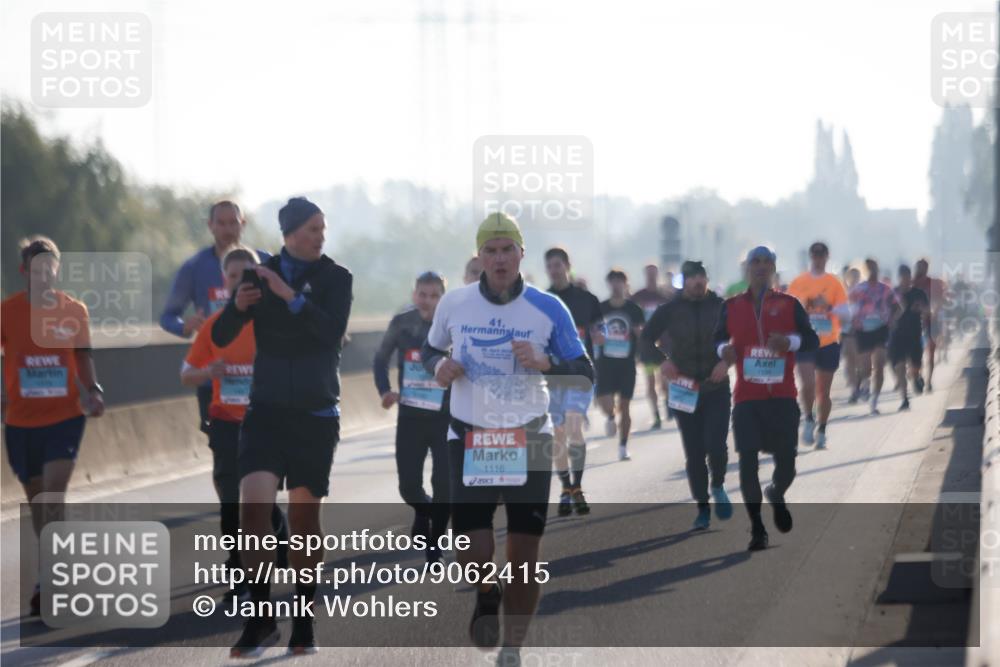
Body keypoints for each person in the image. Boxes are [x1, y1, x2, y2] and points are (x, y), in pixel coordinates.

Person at [422, 213, 594, 666]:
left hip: (529, 437)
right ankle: (486, 589)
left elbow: (584, 371)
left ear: (521, 254)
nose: (499, 259)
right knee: (472, 550)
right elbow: (430, 348)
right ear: (479, 256)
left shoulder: (548, 308)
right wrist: (438, 366)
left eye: (507, 250)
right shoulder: (455, 303)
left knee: (524, 555)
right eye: (490, 251)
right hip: (470, 437)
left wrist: (546, 363)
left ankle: (513, 647)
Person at [213, 197, 352, 657]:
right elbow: (220, 335)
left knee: (304, 521)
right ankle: (260, 619)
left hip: (315, 414)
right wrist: (237, 306)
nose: (320, 236)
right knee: (252, 510)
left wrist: (290, 296)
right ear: (290, 233)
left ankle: (304, 621)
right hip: (266, 412)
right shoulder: (259, 275)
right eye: (313, 228)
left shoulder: (337, 278)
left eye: (322, 228)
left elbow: (331, 333)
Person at [2, 236, 105, 615]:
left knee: (53, 491)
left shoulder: (74, 310)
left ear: (57, 269)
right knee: (37, 501)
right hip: (20, 422)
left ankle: (50, 577)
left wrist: (92, 390)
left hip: (64, 417)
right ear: (24, 271)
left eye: (49, 268)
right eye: (37, 269)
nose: (43, 275)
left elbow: (83, 357)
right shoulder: (7, 311)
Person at [180, 247, 288, 601]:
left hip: (266, 423)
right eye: (233, 277)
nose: (241, 283)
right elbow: (186, 374)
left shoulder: (273, 322)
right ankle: (240, 572)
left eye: (248, 276)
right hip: (226, 423)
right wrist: (207, 372)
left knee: (260, 502)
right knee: (230, 501)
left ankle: (280, 538)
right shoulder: (214, 326)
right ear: (224, 282)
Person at [714, 246, 819, 551]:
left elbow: (811, 339)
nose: (761, 267)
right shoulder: (731, 306)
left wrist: (789, 342)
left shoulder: (789, 304)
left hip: (782, 396)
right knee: (747, 462)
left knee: (787, 463)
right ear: (747, 268)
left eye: (766, 262)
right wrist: (723, 350)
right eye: (755, 262)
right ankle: (757, 528)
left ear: (774, 268)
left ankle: (777, 491)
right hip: (747, 398)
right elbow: (717, 338)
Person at [160, 200, 269, 435]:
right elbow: (167, 317)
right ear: (211, 226)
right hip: (214, 376)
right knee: (224, 447)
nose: (228, 229)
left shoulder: (264, 261)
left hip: (260, 377)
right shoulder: (195, 267)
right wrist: (185, 326)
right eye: (221, 223)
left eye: (233, 223)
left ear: (243, 224)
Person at [641, 260, 733, 530]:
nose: (697, 282)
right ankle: (702, 508)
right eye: (692, 278)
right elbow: (645, 339)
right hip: (684, 387)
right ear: (684, 282)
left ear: (707, 280)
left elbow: (740, 339)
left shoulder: (721, 307)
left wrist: (726, 363)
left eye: (701, 277)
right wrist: (663, 362)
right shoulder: (670, 310)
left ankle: (718, 485)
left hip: (715, 386)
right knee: (694, 452)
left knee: (716, 445)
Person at [372, 271, 451, 563]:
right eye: (422, 294)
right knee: (408, 487)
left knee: (444, 484)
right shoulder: (401, 323)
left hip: (445, 418)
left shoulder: (452, 325)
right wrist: (385, 390)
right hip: (410, 417)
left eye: (434, 295)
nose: (427, 301)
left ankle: (435, 545)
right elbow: (380, 359)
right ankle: (424, 510)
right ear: (414, 294)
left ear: (443, 298)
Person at [544, 247, 603, 516]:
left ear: (568, 266)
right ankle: (566, 488)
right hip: (553, 376)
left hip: (580, 373)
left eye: (558, 265)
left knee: (573, 424)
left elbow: (599, 326)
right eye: (550, 266)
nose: (554, 270)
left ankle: (577, 487)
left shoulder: (587, 299)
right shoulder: (543, 301)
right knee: (558, 433)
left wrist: (600, 335)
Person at [786, 242, 849, 449]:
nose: (818, 258)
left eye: (822, 255)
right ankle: (808, 418)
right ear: (811, 256)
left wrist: (828, 306)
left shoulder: (834, 283)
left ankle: (822, 429)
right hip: (806, 340)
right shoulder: (799, 282)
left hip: (828, 341)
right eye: (815, 254)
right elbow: (788, 309)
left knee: (824, 391)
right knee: (807, 384)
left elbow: (845, 313)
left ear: (827, 257)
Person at [595, 269, 646, 461]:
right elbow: (593, 333)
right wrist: (597, 337)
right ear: (609, 284)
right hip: (605, 363)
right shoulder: (601, 308)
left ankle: (623, 446)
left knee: (625, 406)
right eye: (613, 281)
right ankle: (610, 416)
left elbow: (642, 335)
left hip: (626, 363)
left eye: (619, 281)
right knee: (606, 403)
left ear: (625, 284)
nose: (616, 285)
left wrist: (640, 335)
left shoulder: (634, 309)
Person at [849, 259, 900, 414]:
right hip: (863, 330)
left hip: (880, 328)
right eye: (869, 269)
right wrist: (852, 320)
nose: (873, 271)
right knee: (866, 367)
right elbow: (848, 307)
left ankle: (874, 401)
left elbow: (897, 307)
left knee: (879, 365)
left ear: (878, 270)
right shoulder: (858, 289)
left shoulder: (885, 288)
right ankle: (865, 384)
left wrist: (891, 319)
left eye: (875, 268)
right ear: (865, 271)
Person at [631, 263, 672, 429]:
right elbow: (631, 317)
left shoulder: (665, 296)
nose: (651, 277)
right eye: (648, 274)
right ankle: (656, 415)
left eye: (653, 273)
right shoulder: (638, 296)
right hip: (647, 345)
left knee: (665, 381)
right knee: (650, 382)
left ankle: (668, 402)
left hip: (664, 345)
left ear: (657, 274)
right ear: (645, 275)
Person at [889, 265, 929, 411]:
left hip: (915, 334)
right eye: (903, 277)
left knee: (915, 367)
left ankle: (916, 377)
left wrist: (921, 308)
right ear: (899, 278)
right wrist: (895, 315)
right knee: (900, 366)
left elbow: (928, 311)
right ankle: (904, 399)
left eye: (907, 277)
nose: (905, 280)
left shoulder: (919, 293)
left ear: (910, 277)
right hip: (897, 336)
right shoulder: (893, 294)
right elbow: (886, 312)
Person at [912, 258, 948, 392]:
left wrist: (932, 311)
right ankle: (918, 375)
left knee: (931, 353)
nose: (922, 269)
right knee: (916, 354)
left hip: (932, 322)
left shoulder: (934, 283)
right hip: (915, 323)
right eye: (920, 266)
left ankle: (929, 381)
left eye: (924, 266)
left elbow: (940, 301)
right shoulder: (912, 283)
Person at [840, 266, 862, 390]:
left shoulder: (863, 291)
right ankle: (854, 388)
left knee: (858, 358)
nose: (854, 278)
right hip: (846, 329)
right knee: (849, 358)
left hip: (860, 329)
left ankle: (859, 377)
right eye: (852, 276)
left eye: (856, 276)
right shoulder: (843, 292)